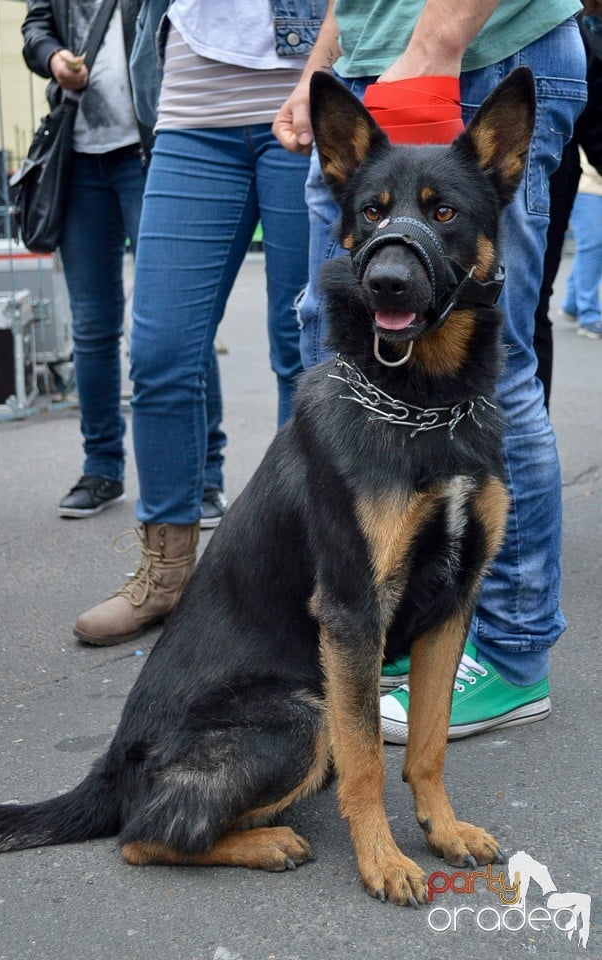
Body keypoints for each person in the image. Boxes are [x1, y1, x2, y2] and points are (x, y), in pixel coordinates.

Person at [274, 0, 588, 740]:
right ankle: (376, 614)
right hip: (378, 63)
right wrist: (321, 66)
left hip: (473, 50)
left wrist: (438, 38)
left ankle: (512, 654)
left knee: (488, 359)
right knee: (346, 348)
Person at [72, 0, 327, 646]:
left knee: (303, 354)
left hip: (306, 83)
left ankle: (299, 576)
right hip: (191, 95)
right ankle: (166, 573)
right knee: (159, 350)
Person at [22, 0, 151, 519]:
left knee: (172, 324)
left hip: (149, 150)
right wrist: (53, 59)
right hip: (77, 159)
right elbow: (36, 26)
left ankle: (204, 476)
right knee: (93, 328)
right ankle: (102, 469)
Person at [535, 11, 602, 406]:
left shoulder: (572, 26)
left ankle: (522, 449)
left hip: (549, 174)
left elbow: (595, 127)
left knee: (526, 316)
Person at [560, 149, 602, 338]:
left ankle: (572, 304)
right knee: (593, 245)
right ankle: (589, 315)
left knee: (592, 248)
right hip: (589, 185)